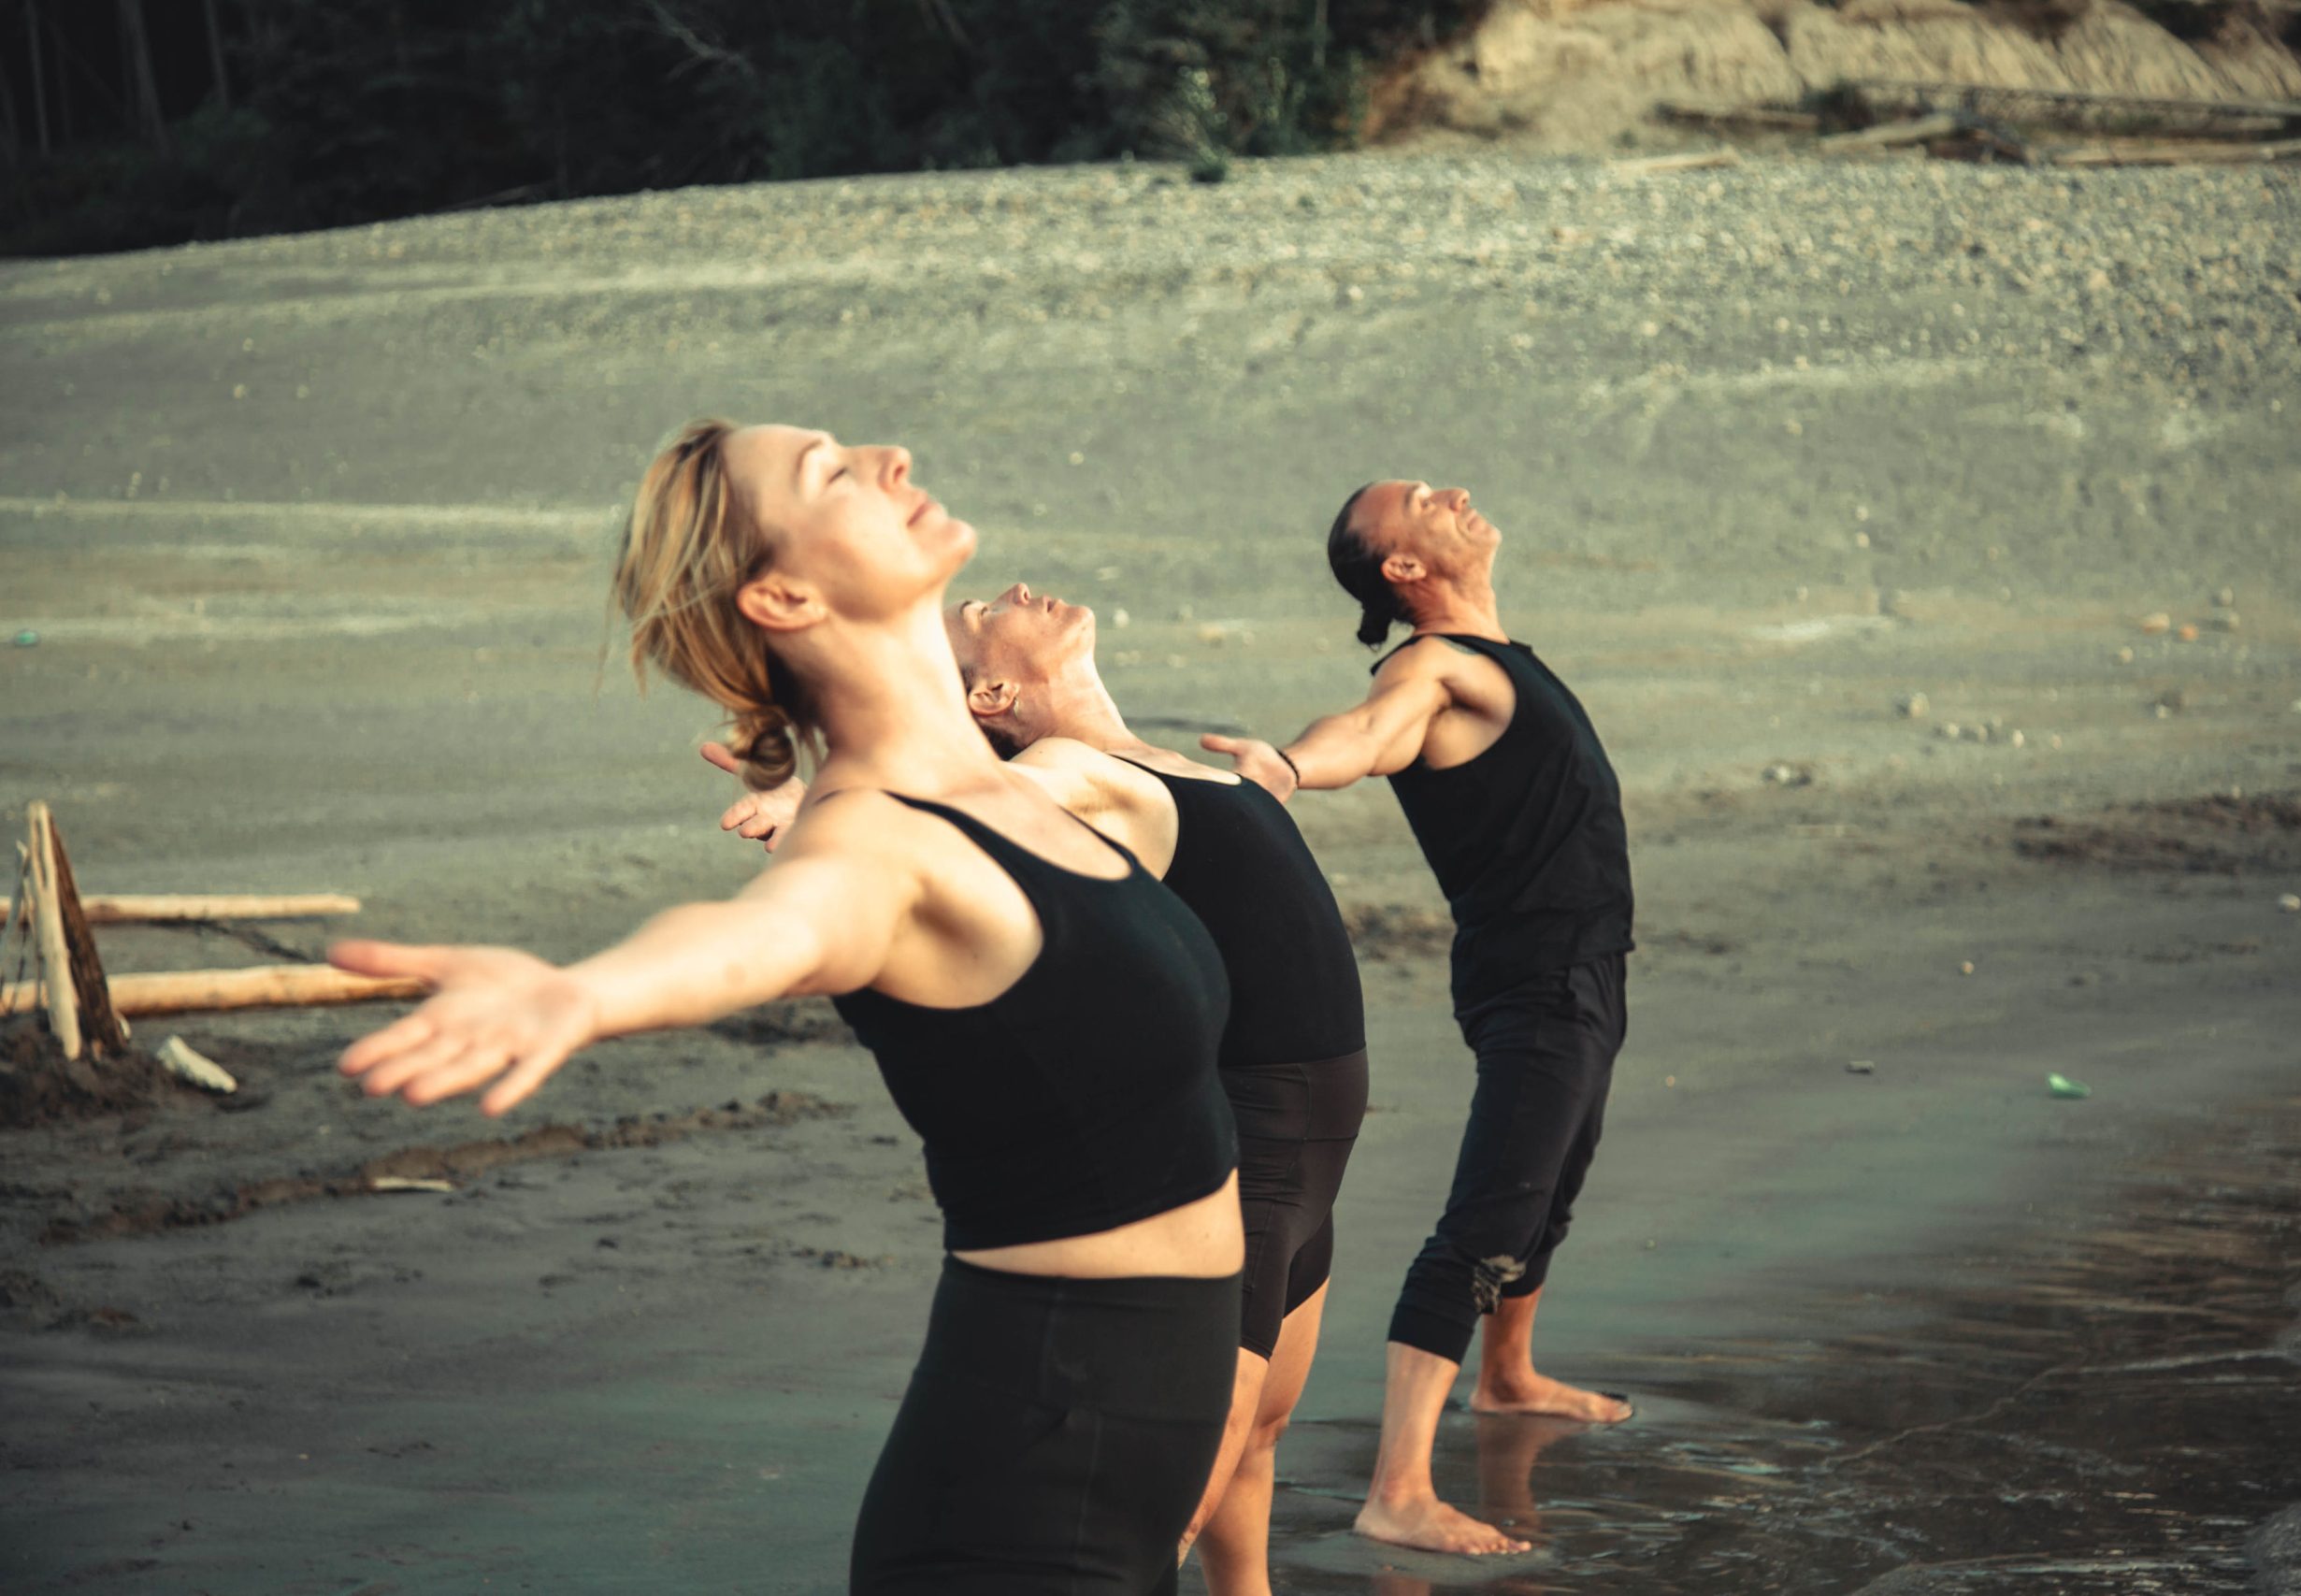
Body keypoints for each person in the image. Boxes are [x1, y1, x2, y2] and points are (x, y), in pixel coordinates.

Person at [331, 420, 1245, 1595]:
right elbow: (765, 933)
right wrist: (582, 992)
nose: (893, 460)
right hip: (1025, 1508)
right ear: (781, 595)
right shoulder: (873, 840)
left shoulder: (1016, 790)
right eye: (832, 471)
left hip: (1110, 1482)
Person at [706, 580, 1369, 1596]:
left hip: (1313, 1151)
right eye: (979, 612)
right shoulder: (1074, 771)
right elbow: (973, 801)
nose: (1011, 590)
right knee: (1177, 1492)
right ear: (991, 699)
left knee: (1260, 1435)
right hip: (1255, 1144)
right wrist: (818, 803)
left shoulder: (1167, 762)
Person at [1202, 479, 1636, 1557]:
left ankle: (1506, 1377)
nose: (1455, 494)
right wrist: (1291, 768)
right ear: (1401, 567)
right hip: (1537, 982)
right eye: (1421, 499)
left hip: (1582, 973)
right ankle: (1396, 1487)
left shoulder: (1498, 659)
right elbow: (1372, 731)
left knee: (1550, 1193)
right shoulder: (1430, 668)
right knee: (1488, 1219)